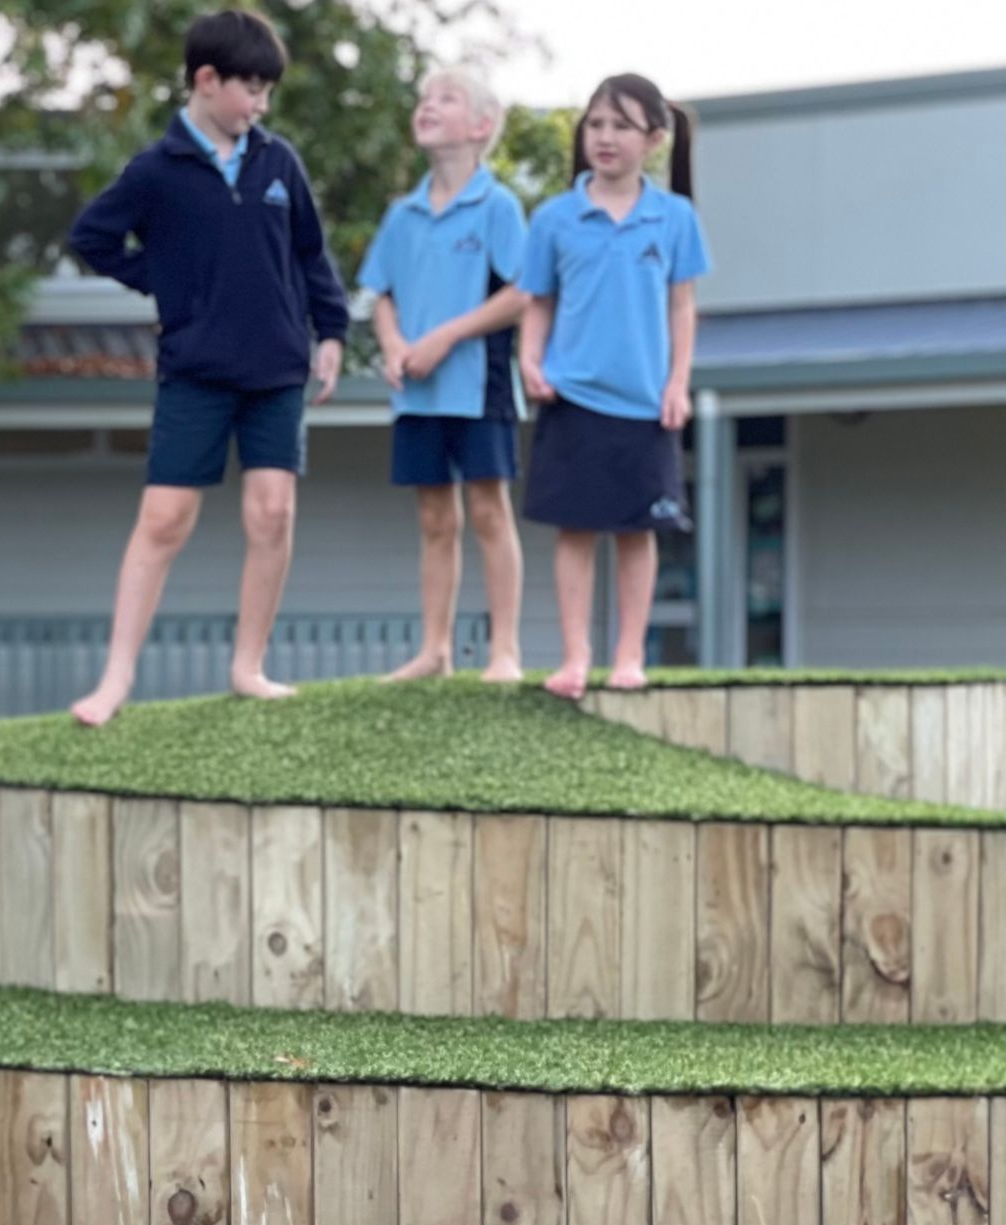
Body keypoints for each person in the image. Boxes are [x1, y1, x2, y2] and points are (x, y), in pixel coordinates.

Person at [64, 7, 350, 727]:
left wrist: (333, 332)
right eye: (250, 89)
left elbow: (311, 255)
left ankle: (248, 667)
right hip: (195, 370)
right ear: (206, 80)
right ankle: (115, 680)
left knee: (273, 511)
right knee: (164, 519)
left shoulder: (279, 162)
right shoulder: (155, 171)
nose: (260, 105)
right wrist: (162, 281)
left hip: (278, 368)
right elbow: (92, 237)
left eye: (267, 94)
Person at [515, 72, 710, 699]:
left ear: (653, 138)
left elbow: (682, 306)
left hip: (647, 403)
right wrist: (530, 360)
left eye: (621, 126)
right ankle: (575, 658)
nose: (605, 137)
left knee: (637, 533)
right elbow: (537, 301)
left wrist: (678, 382)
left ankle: (629, 657)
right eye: (595, 124)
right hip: (572, 396)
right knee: (575, 530)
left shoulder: (675, 218)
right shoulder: (553, 218)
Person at [360, 65, 530, 685]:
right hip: (417, 395)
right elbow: (380, 293)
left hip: (478, 386)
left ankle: (504, 650)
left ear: (481, 126)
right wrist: (395, 343)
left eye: (447, 98)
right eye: (425, 97)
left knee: (488, 510)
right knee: (435, 518)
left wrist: (444, 337)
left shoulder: (499, 206)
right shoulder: (401, 215)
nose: (428, 105)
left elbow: (522, 292)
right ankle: (434, 650)